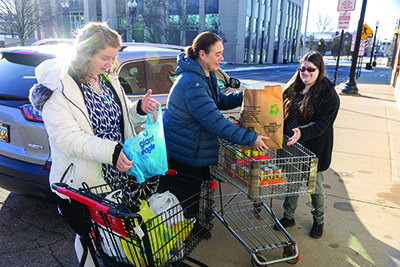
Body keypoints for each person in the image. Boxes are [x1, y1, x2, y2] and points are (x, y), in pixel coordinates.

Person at [29, 21, 159, 265]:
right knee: (91, 238)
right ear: (85, 52)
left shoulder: (108, 79)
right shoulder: (59, 88)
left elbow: (119, 118)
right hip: (84, 179)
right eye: (105, 57)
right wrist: (113, 152)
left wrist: (138, 109)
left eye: (113, 57)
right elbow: (66, 139)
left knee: (116, 239)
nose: (110, 63)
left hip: (118, 173)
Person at [162, 31, 269, 238]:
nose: (222, 58)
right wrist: (250, 139)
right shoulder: (191, 83)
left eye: (222, 53)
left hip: (194, 146)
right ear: (202, 54)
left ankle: (190, 227)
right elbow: (214, 121)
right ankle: (183, 233)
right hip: (184, 150)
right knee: (185, 195)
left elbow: (219, 102)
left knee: (192, 193)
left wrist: (244, 96)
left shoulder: (205, 75)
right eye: (218, 54)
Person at [275, 51, 340, 239]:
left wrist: (302, 132)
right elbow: (278, 111)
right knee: (293, 183)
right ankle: (288, 217)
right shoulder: (292, 88)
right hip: (290, 145)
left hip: (313, 149)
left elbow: (323, 124)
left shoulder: (328, 95)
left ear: (319, 70)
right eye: (302, 69)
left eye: (311, 70)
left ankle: (319, 221)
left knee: (315, 187)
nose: (306, 73)